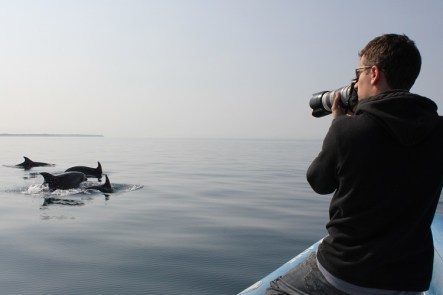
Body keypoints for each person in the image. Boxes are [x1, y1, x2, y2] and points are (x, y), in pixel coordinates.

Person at [266, 34, 443, 294]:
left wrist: (338, 123)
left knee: (275, 290)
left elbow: (318, 182)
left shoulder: (349, 130)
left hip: (348, 272)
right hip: (410, 278)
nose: (355, 81)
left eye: (358, 72)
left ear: (374, 73)